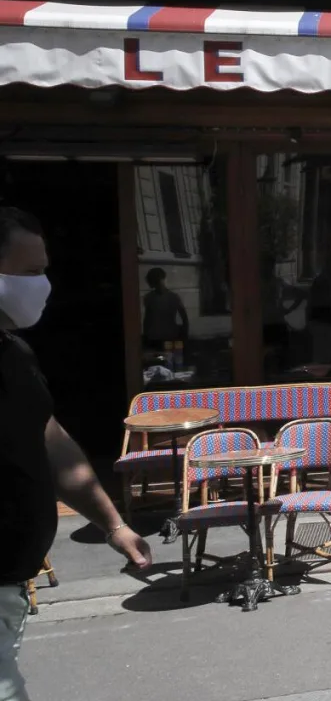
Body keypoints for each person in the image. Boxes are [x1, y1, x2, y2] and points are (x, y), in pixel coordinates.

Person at [0, 207, 152, 701]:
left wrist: (114, 525)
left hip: (10, 580)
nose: (41, 285)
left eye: (42, 270)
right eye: (27, 273)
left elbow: (50, 438)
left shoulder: (13, 354)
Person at [140, 267, 188, 353]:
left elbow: (147, 320)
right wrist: (184, 337)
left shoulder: (149, 297)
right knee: (169, 361)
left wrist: (146, 336)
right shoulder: (173, 297)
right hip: (168, 337)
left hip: (156, 338)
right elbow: (184, 318)